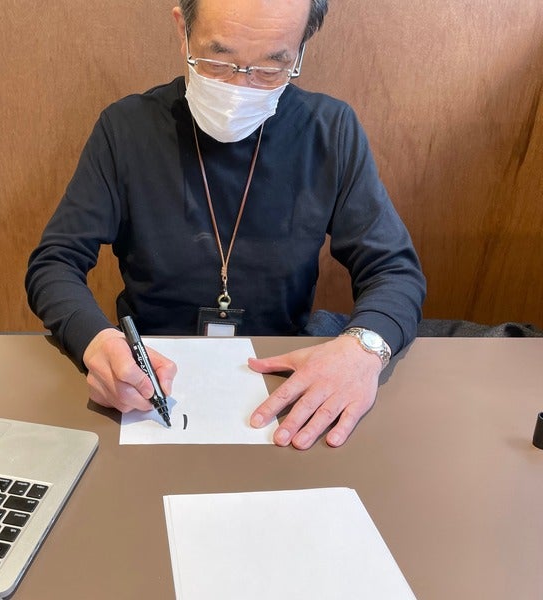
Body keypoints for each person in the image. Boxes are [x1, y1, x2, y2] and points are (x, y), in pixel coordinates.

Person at [26, 0, 426, 449]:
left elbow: (394, 270)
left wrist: (363, 348)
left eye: (271, 68)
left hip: (281, 378)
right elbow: (54, 263)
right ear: (183, 31)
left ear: (300, 52)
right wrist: (96, 341)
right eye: (219, 61)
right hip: (147, 377)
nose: (241, 86)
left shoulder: (329, 130)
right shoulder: (126, 129)